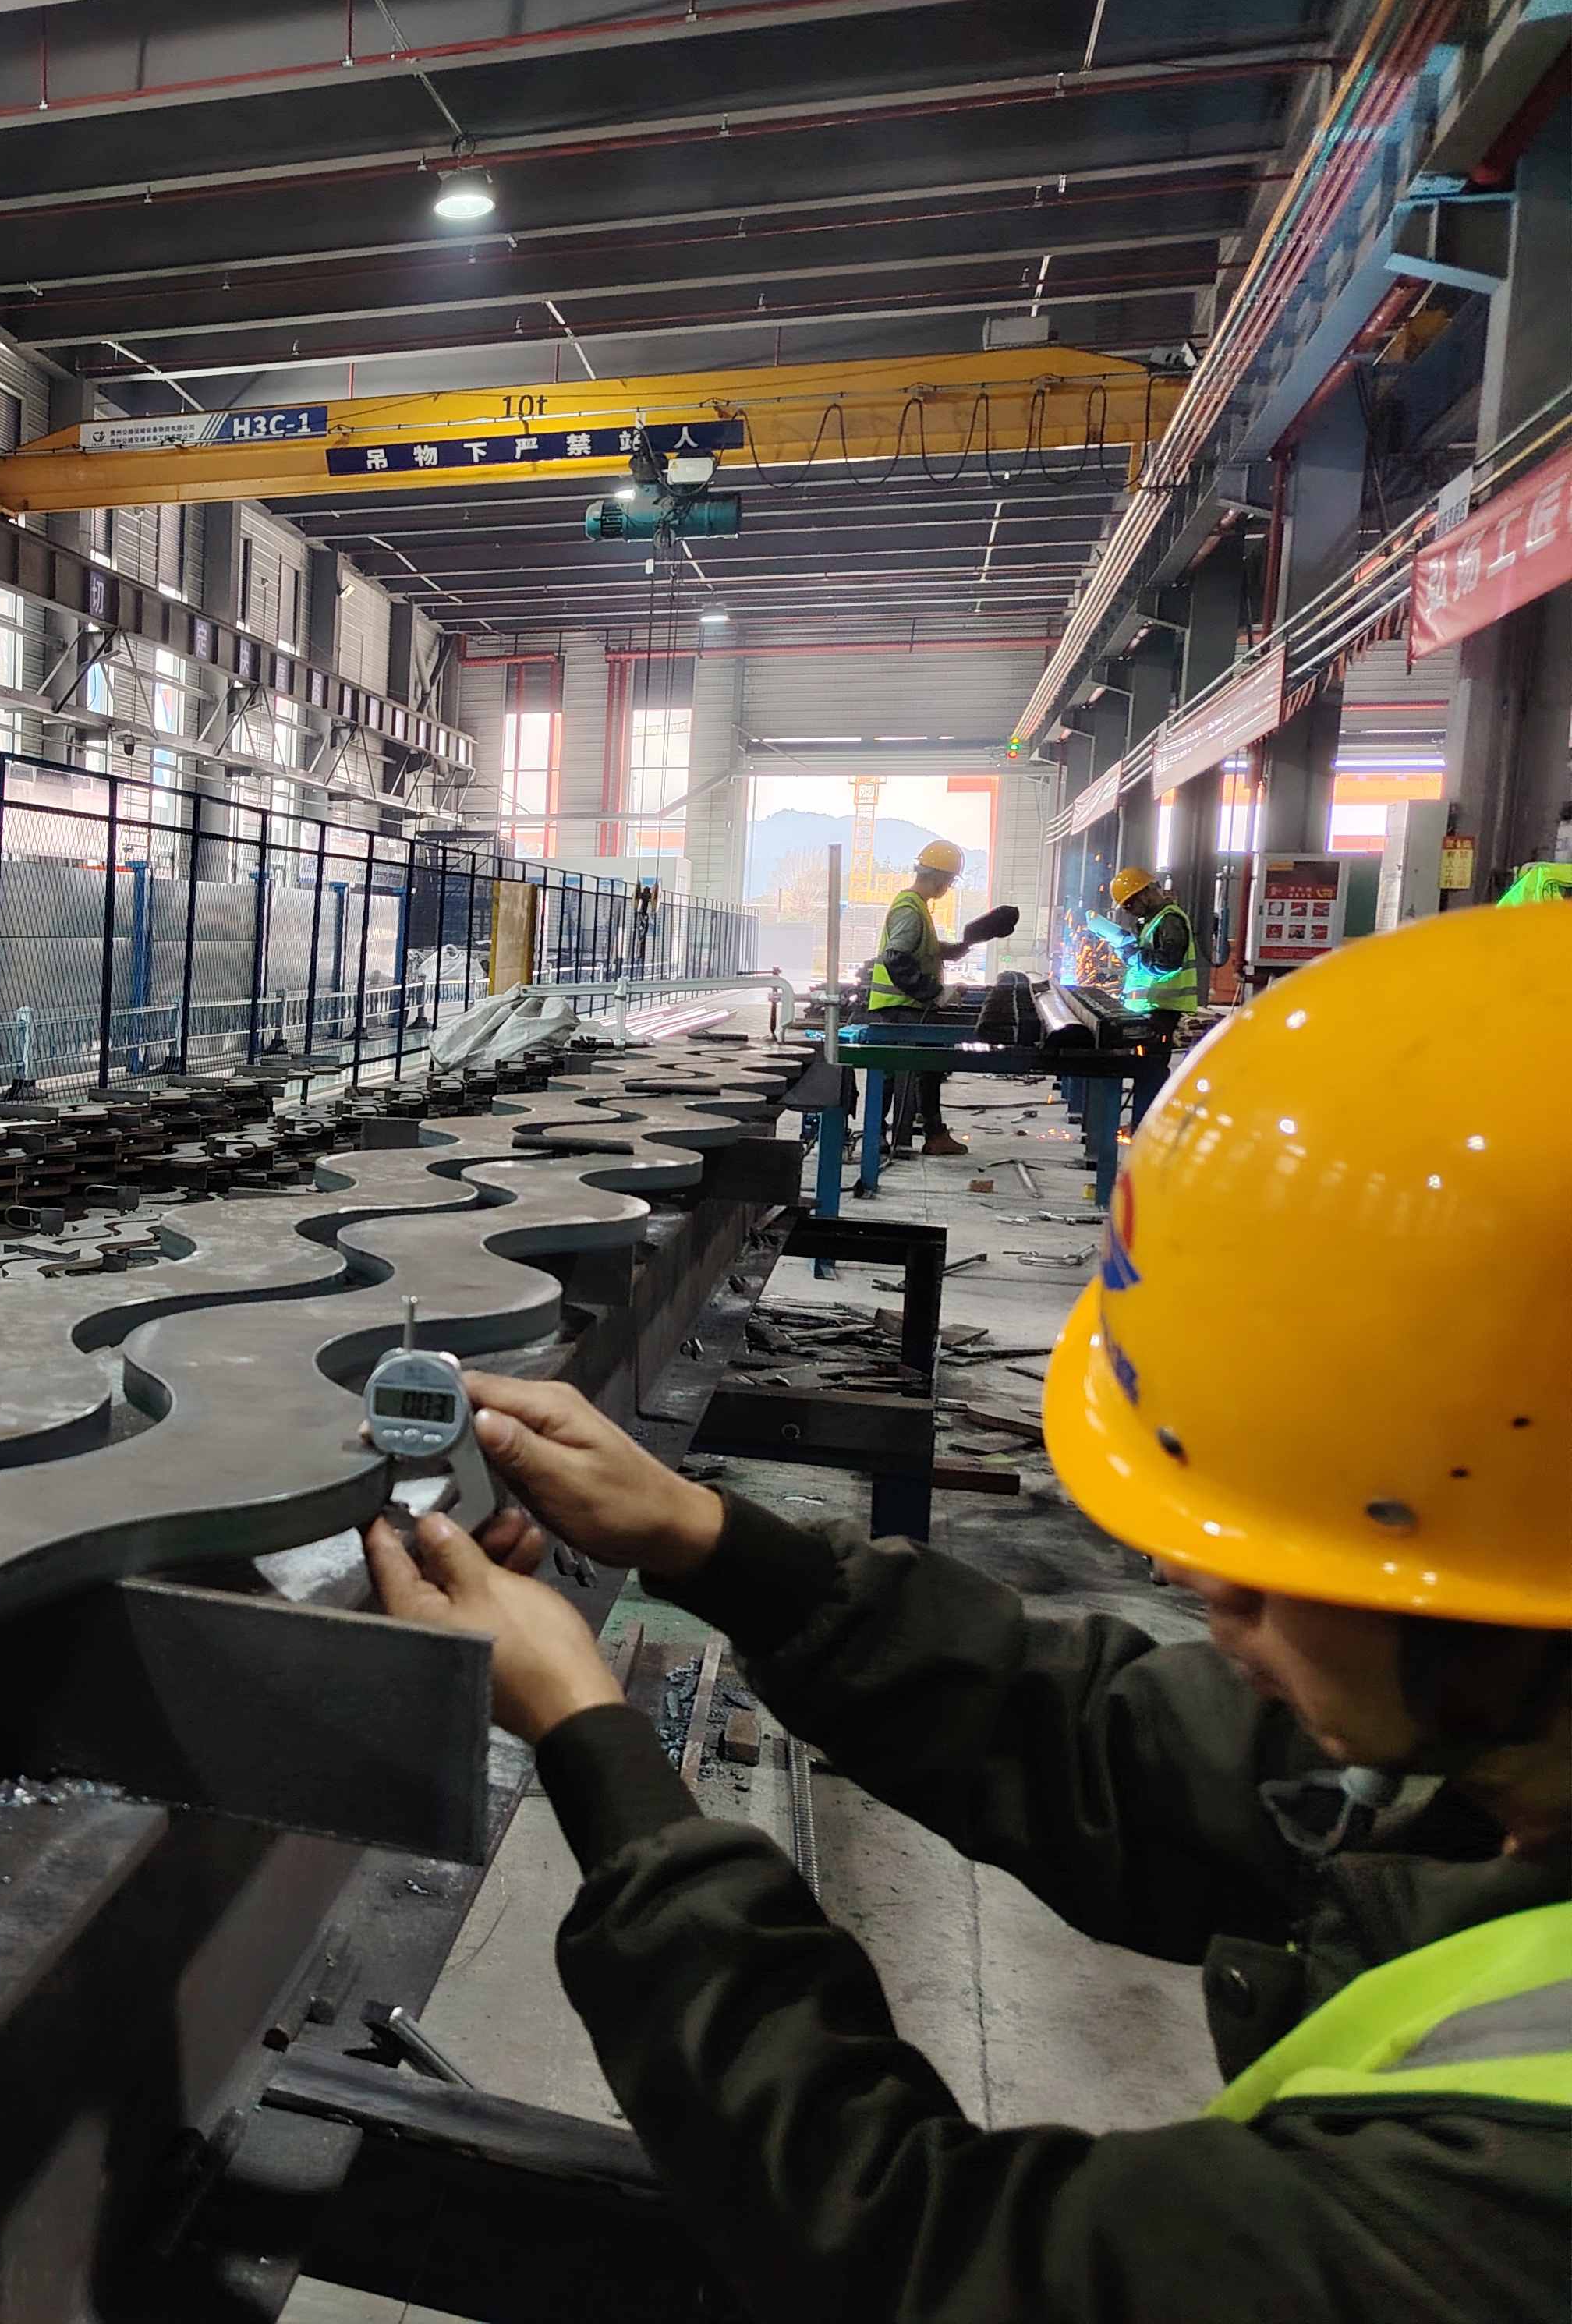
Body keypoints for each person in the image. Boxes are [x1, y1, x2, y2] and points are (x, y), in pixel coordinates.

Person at [367, 901, 1572, 2322]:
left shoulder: (1499, 2206)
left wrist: (589, 1742)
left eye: (1268, 1556)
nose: (1193, 1585)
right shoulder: (1497, 1763)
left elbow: (920, 2255)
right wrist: (712, 1542)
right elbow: (1114, 1754)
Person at [868, 837, 972, 1157]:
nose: (948, 887)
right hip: (901, 1008)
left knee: (919, 1072)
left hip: (903, 1007)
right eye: (949, 881)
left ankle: (914, 1135)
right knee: (903, 1074)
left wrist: (954, 949)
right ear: (938, 877)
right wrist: (935, 993)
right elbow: (896, 956)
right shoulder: (910, 910)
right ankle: (888, 1137)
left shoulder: (915, 906)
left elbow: (918, 948)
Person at [1098, 865, 1204, 1116]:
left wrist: (1133, 956)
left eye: (1129, 904)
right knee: (1145, 1069)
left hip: (1161, 1010)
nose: (1129, 911)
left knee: (1151, 1071)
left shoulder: (1170, 921)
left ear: (1145, 894)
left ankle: (1145, 1126)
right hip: (1150, 1009)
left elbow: (1168, 964)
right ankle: (1141, 1124)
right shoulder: (1154, 921)